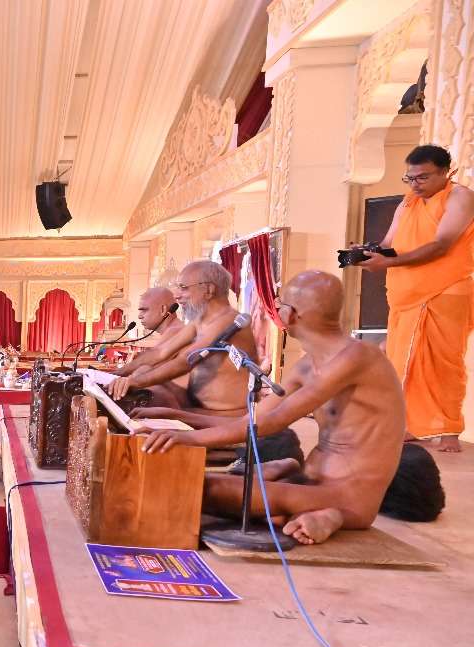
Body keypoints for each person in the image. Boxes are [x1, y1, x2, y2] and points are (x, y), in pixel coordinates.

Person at [142, 271, 405, 545]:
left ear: (290, 314)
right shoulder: (307, 365)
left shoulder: (356, 357)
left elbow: (271, 423)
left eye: (280, 305)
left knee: (198, 487)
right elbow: (253, 418)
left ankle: (332, 514)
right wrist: (174, 416)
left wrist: (189, 438)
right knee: (203, 482)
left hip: (348, 495)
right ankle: (300, 507)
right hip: (309, 481)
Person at [359, 144, 474, 452]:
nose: (415, 184)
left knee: (444, 364)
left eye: (423, 177)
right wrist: (368, 253)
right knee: (402, 361)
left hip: (445, 290)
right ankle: (408, 424)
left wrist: (389, 262)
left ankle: (448, 429)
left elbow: (442, 244)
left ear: (446, 172)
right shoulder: (408, 202)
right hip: (405, 293)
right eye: (410, 178)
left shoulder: (460, 197)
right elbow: (389, 243)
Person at [106, 260, 257, 417]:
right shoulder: (200, 321)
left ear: (208, 290)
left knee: (144, 392)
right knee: (144, 375)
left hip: (224, 415)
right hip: (194, 406)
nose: (177, 296)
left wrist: (135, 382)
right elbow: (160, 352)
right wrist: (118, 374)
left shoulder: (228, 320)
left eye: (183, 288)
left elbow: (185, 361)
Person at [113, 286, 182, 378]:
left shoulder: (176, 331)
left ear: (163, 310)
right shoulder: (172, 331)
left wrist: (115, 375)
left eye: (144, 310)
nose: (139, 316)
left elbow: (151, 363)